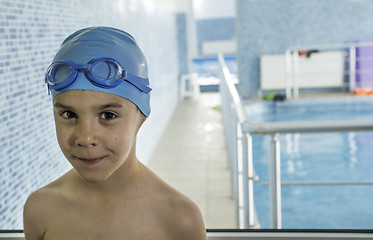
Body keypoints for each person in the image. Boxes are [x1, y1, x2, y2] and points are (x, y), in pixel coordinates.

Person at [23, 27, 207, 240]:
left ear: (141, 116)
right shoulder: (41, 208)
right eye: (68, 114)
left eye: (108, 115)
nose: (85, 138)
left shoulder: (179, 219)